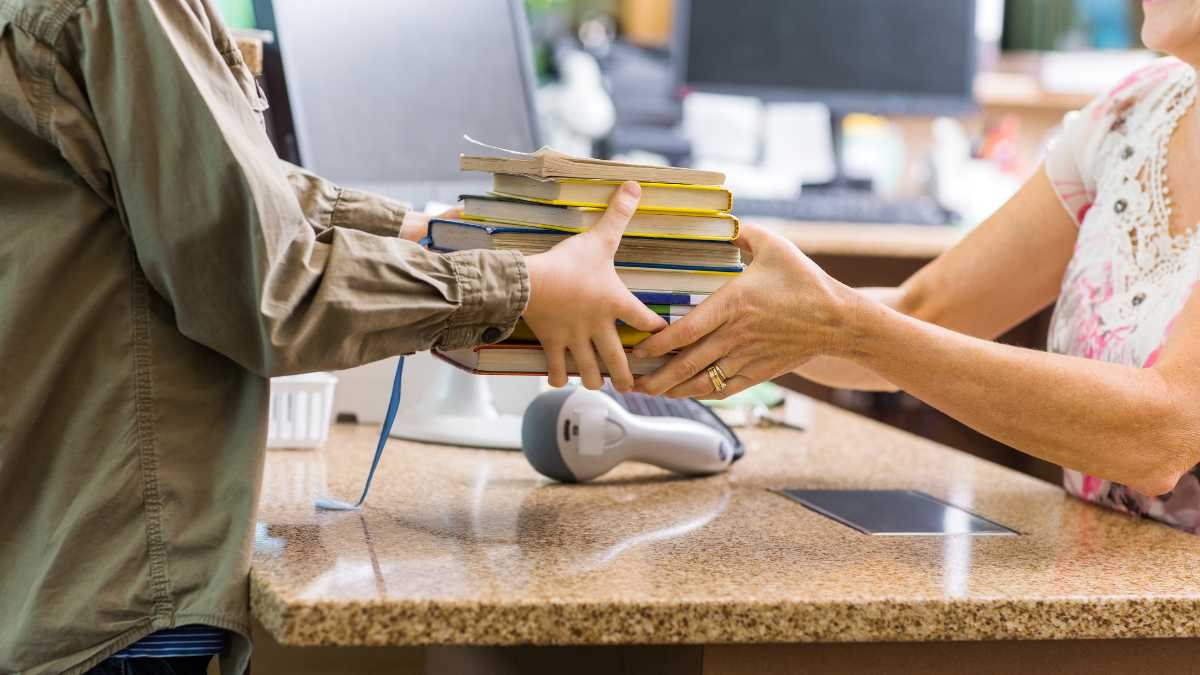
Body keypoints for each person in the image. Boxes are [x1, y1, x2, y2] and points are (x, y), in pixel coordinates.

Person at [0, 1, 660, 673]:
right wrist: (519, 287)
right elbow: (263, 288)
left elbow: (206, 179)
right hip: (122, 593)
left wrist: (418, 231)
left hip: (58, 555)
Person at [636, 2, 1200, 533]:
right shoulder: (1131, 115)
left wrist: (842, 324)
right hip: (1097, 579)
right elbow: (926, 312)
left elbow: (1162, 433)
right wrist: (679, 314)